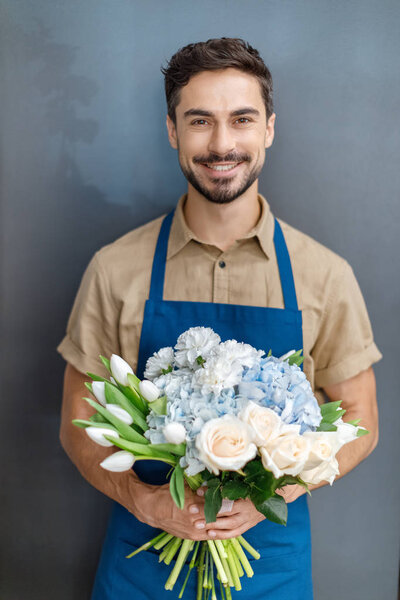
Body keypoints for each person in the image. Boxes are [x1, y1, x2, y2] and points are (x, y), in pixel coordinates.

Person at [58, 38, 381, 600]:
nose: (222, 143)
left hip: (271, 568)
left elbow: (361, 419)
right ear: (172, 131)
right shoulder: (115, 269)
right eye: (200, 121)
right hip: (141, 566)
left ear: (269, 129)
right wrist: (146, 500)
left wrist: (273, 493)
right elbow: (77, 420)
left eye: (242, 119)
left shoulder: (325, 275)